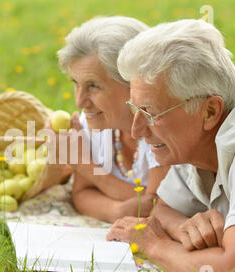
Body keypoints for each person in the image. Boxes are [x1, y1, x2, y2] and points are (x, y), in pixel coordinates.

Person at [107, 19, 235, 272]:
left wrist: (154, 246)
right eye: (135, 109)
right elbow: (162, 208)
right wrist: (183, 226)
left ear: (210, 111)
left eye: (150, 113)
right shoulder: (190, 133)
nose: (136, 130)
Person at [49, 16, 169, 223]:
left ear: (134, 83)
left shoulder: (163, 128)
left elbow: (158, 206)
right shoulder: (97, 123)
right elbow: (81, 194)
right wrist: (119, 211)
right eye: (76, 83)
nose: (79, 102)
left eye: (93, 86)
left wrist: (85, 165)